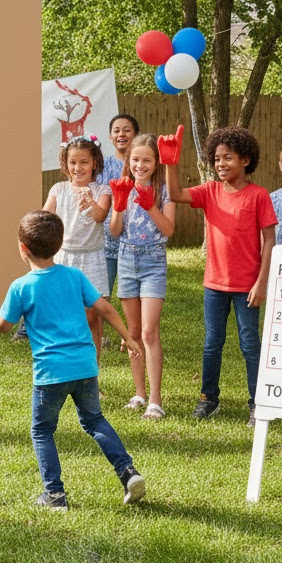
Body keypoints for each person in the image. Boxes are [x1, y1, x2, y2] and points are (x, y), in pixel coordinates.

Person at [0, 209, 146, 509]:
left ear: (23, 248)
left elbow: (1, 326)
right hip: (85, 365)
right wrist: (128, 336)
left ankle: (55, 494)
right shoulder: (74, 276)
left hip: (52, 373)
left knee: (42, 430)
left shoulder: (22, 286)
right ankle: (128, 472)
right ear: (58, 245)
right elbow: (105, 309)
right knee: (95, 420)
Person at [161, 125, 277, 427]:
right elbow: (174, 193)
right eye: (216, 159)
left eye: (228, 158)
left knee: (250, 343)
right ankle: (208, 398)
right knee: (212, 342)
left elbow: (270, 241)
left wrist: (261, 282)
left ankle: (258, 403)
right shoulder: (210, 191)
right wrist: (170, 164)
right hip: (215, 284)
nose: (221, 164)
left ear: (246, 160)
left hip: (247, 287)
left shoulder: (258, 195)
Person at [109, 133, 175, 419]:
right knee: (132, 333)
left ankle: (156, 401)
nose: (140, 165)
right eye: (135, 159)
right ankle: (139, 393)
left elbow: (169, 229)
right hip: (126, 259)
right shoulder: (121, 187)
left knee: (149, 332)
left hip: (153, 261)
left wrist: (149, 205)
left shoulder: (163, 191)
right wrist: (120, 206)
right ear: (128, 160)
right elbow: (114, 231)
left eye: (146, 160)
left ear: (156, 162)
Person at [42, 136, 112, 359]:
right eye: (73, 162)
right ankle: (67, 367)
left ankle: (92, 377)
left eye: (84, 162)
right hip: (64, 258)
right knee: (63, 316)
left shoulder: (102, 190)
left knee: (92, 318)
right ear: (66, 164)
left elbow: (100, 216)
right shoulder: (58, 189)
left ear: (94, 163)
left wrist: (90, 202)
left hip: (92, 259)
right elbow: (45, 217)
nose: (78, 167)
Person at [101, 114, 140, 298]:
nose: (121, 134)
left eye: (127, 130)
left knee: (135, 302)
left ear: (136, 134)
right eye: (116, 131)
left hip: (135, 247)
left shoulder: (143, 166)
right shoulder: (102, 165)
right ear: (110, 136)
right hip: (106, 246)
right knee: (99, 300)